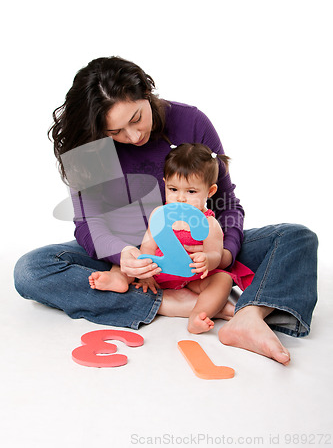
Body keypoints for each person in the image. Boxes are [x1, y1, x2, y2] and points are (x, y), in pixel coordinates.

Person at [14, 56, 318, 366]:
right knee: (31, 270)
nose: (132, 136)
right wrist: (122, 257)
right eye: (115, 132)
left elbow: (227, 201)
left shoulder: (190, 122)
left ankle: (248, 316)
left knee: (295, 238)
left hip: (199, 253)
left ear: (145, 91)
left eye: (136, 118)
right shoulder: (91, 143)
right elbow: (90, 224)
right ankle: (174, 303)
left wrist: (222, 254)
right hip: (134, 256)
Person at [89, 143, 254, 334]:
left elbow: (216, 254)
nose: (180, 198)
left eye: (191, 192)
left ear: (210, 192)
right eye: (173, 189)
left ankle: (199, 314)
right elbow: (148, 246)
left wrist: (207, 259)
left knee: (223, 280)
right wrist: (146, 274)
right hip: (158, 270)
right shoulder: (159, 215)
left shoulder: (209, 224)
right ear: (165, 183)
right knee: (130, 257)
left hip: (191, 277)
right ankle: (119, 279)